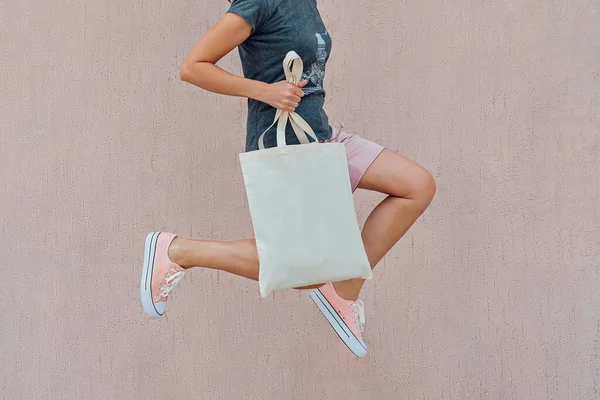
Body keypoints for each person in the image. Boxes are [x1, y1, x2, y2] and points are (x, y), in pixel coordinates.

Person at [140, 0, 436, 358]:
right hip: (288, 144)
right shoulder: (258, 4)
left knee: (416, 186)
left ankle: (345, 286)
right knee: (304, 271)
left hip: (323, 137)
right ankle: (178, 250)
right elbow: (193, 67)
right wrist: (263, 90)